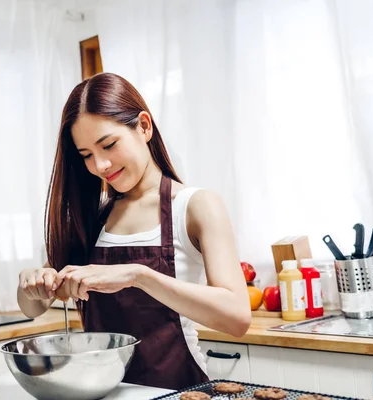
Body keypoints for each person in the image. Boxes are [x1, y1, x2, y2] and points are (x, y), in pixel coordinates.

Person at [17, 72, 251, 390]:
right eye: (86, 155)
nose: (100, 165)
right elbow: (33, 306)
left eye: (109, 145)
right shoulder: (93, 215)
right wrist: (32, 284)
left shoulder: (195, 206)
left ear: (143, 126)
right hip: (102, 393)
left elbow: (237, 317)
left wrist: (139, 276)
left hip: (180, 391)